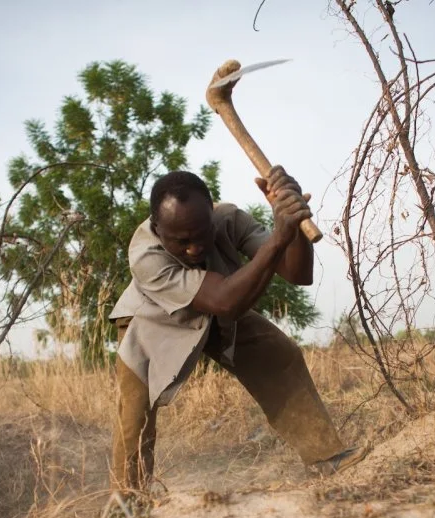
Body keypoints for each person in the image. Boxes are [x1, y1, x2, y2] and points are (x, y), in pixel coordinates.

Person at [107, 165, 367, 492]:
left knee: (278, 355)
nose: (194, 248)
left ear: (211, 212)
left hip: (218, 304)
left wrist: (292, 223)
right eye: (181, 241)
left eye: (201, 234)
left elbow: (297, 273)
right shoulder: (145, 254)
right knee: (134, 415)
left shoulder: (227, 219)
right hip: (152, 322)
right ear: (158, 229)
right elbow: (226, 301)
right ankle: (128, 503)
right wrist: (279, 239)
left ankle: (324, 458)